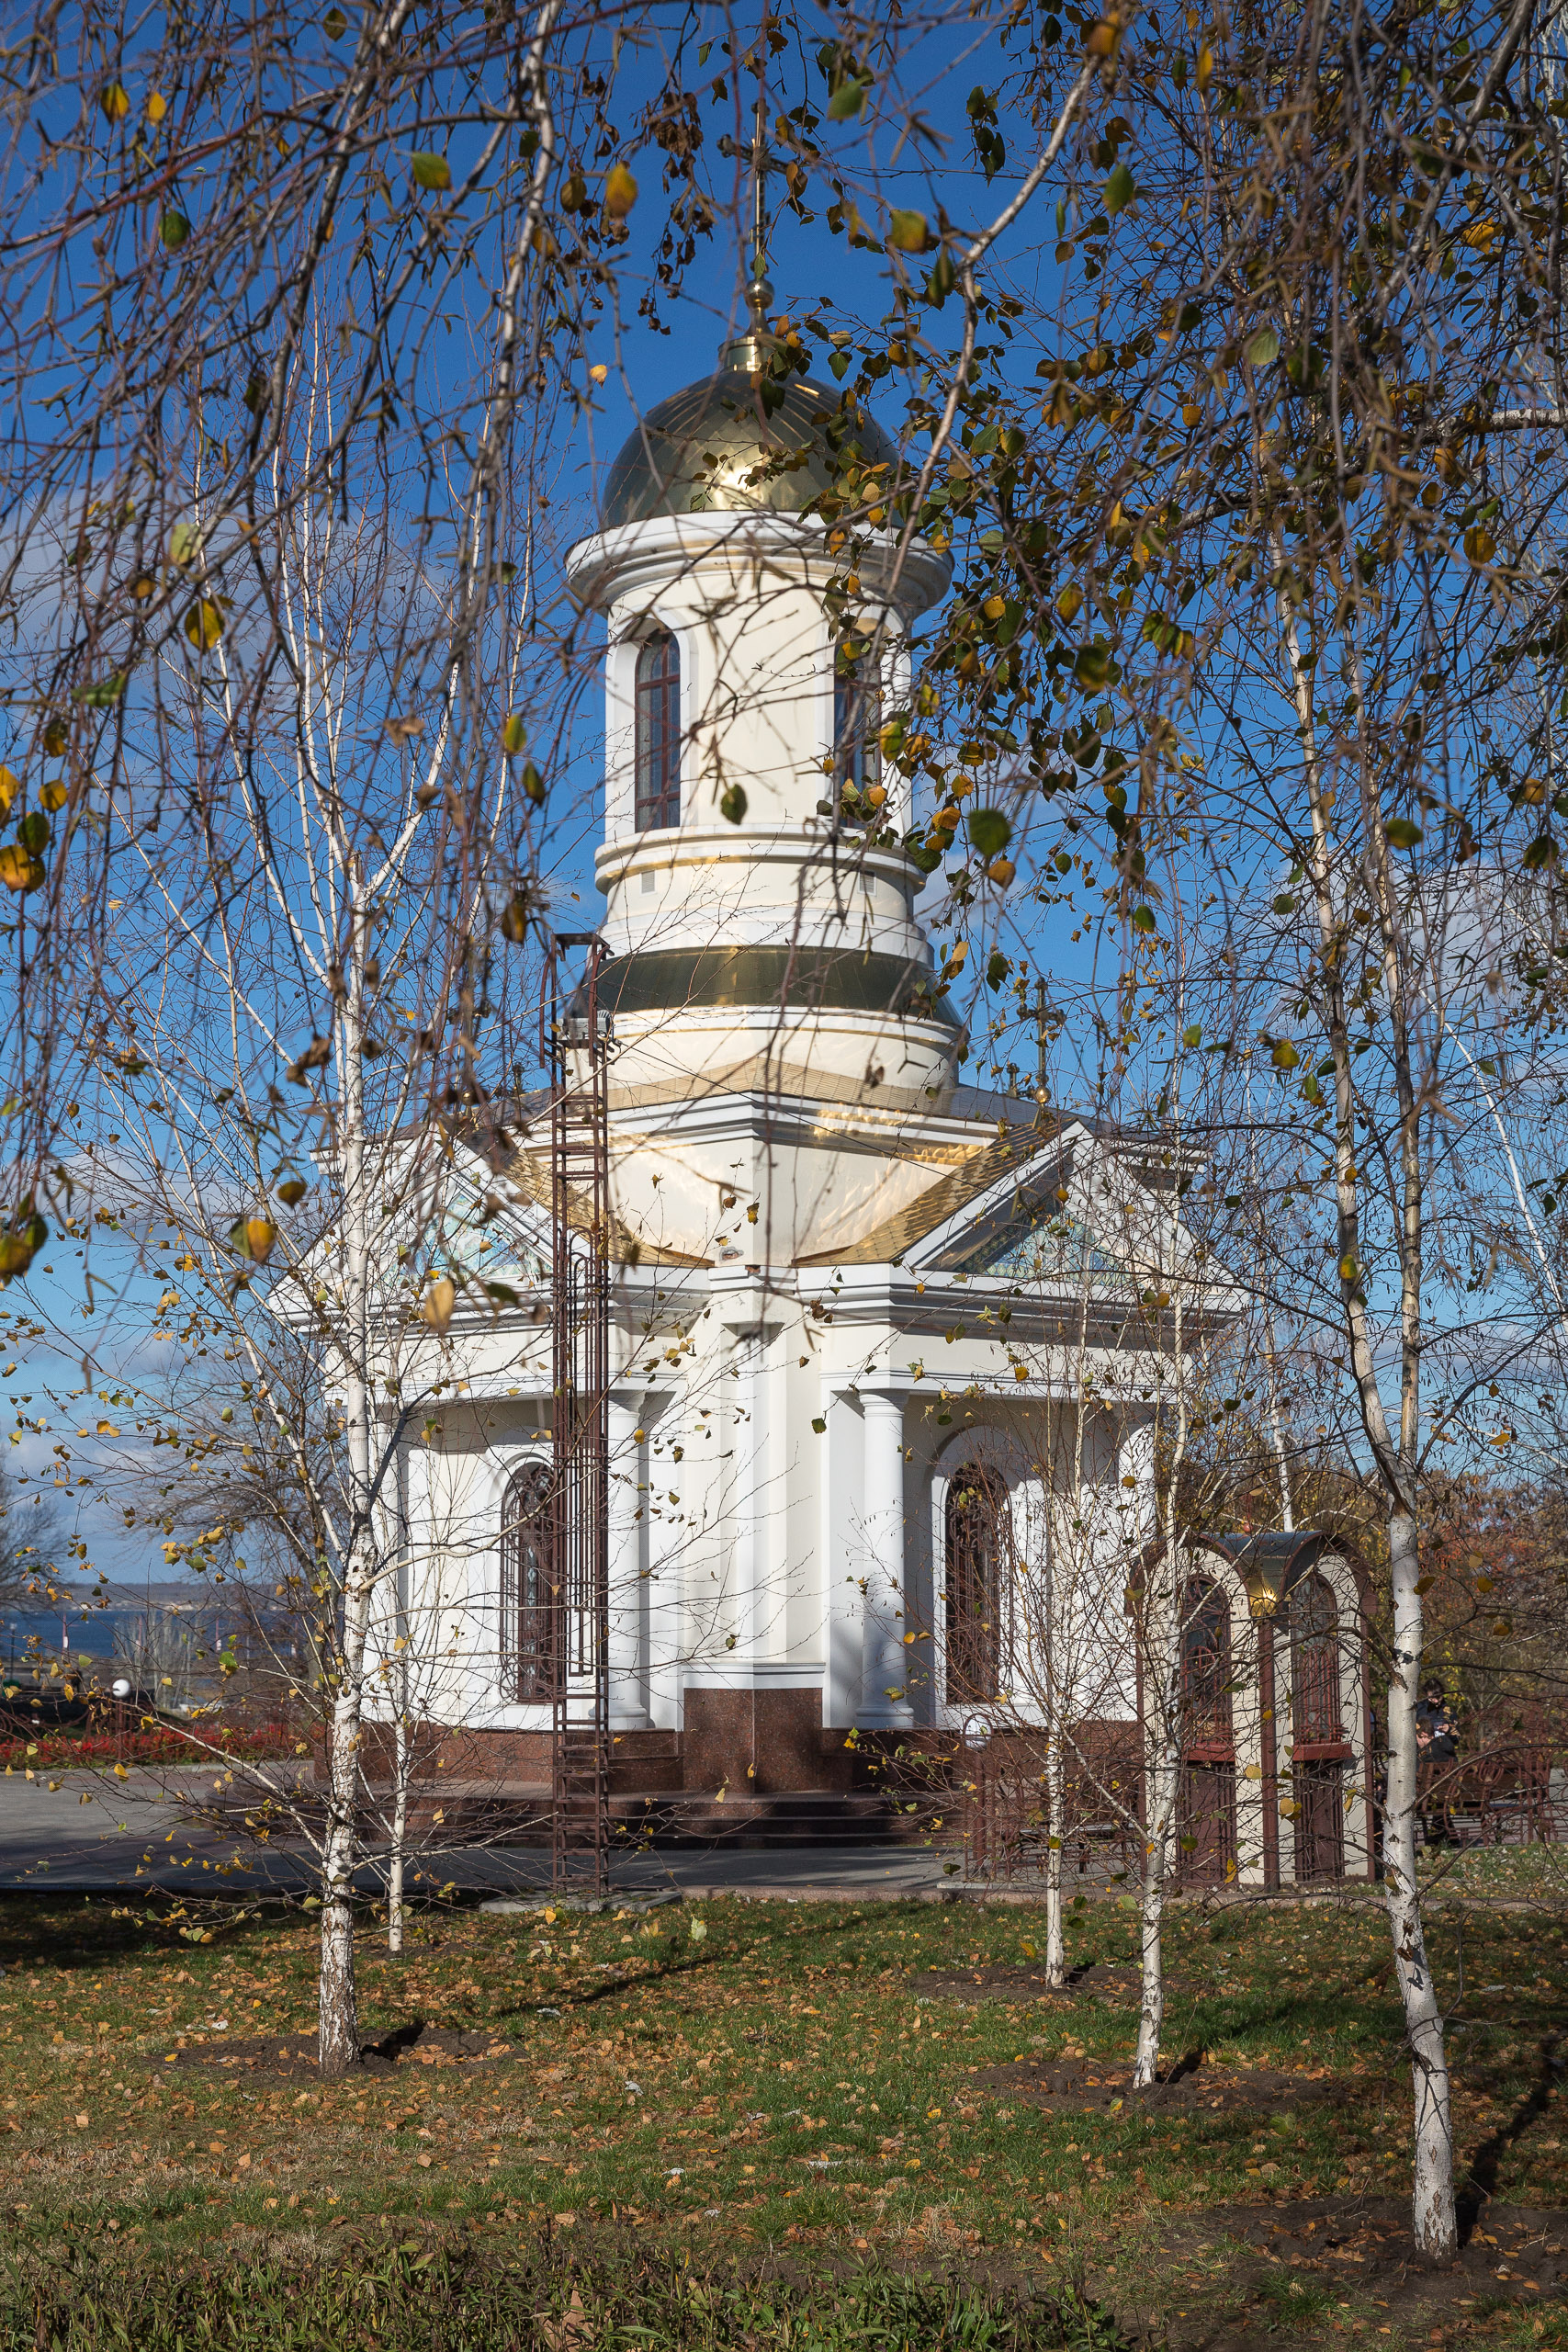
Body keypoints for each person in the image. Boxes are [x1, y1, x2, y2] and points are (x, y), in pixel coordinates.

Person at [1415, 1680, 1458, 1845]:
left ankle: (1440, 1837)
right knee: (1440, 1796)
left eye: (1438, 1697)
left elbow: (1457, 1738)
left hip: (1442, 1761)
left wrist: (1450, 1730)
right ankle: (1447, 1838)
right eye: (1432, 1698)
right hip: (1435, 1762)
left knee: (1438, 1794)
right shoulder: (1420, 1710)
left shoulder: (1448, 1712)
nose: (1436, 1701)